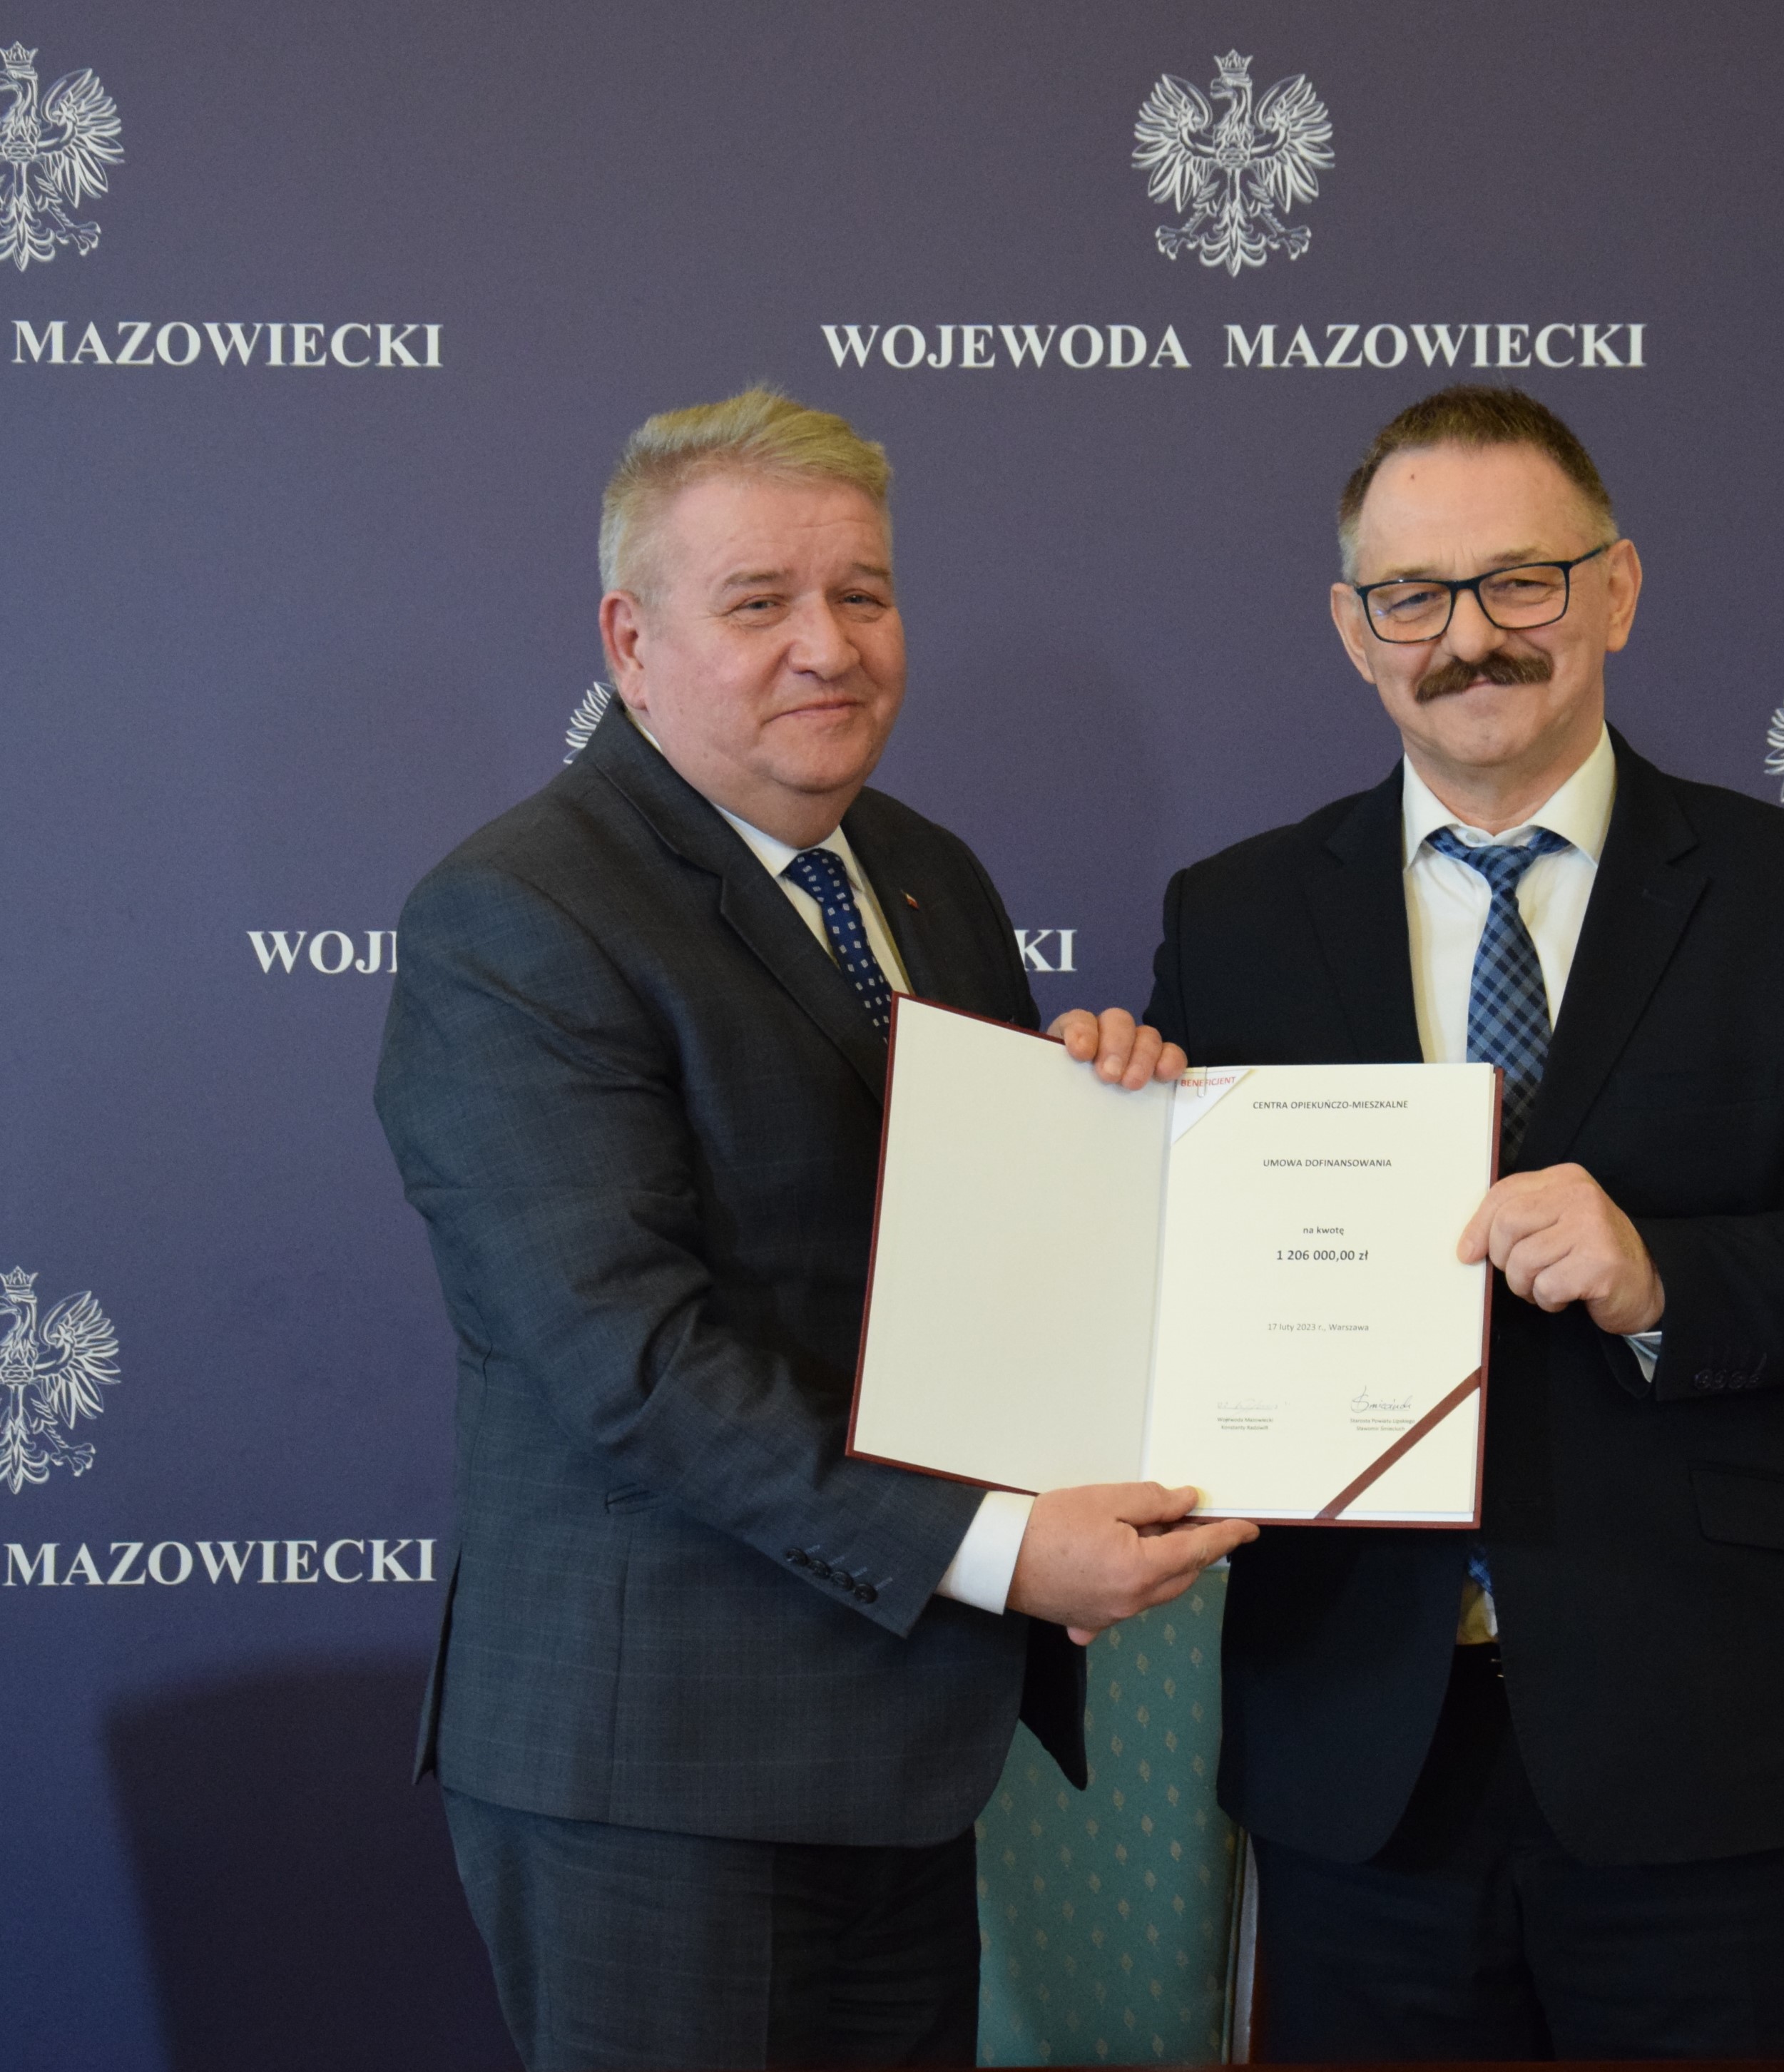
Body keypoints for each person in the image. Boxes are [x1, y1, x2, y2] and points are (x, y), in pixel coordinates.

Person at [373, 387, 1255, 2072]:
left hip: (897, 1749)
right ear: (632, 643)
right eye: (759, 601)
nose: (828, 646)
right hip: (662, 1781)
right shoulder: (521, 916)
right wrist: (998, 1547)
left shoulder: (924, 876)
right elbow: (633, 1362)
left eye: (863, 593)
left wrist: (1097, 1111)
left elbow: (966, 1260)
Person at [1143, 384, 1784, 2060]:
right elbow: (1176, 1286)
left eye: (1520, 581)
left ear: (1616, 589)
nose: (1469, 636)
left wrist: (1665, 1272)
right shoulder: (1234, 917)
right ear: (1354, 630)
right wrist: (1111, 1119)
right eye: (1415, 595)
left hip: (1712, 1755)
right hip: (1361, 1759)